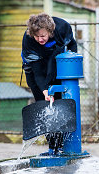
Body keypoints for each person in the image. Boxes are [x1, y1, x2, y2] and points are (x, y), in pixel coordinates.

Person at [21, 13, 77, 155]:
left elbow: (72, 45)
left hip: (57, 63)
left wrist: (69, 67)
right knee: (44, 106)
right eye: (37, 36)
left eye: (43, 36)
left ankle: (63, 145)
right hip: (35, 69)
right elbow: (38, 72)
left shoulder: (62, 28)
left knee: (59, 104)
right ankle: (52, 147)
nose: (40, 39)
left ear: (50, 31)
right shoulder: (28, 40)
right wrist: (45, 90)